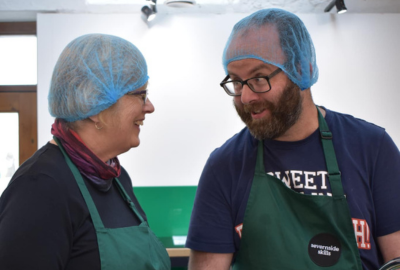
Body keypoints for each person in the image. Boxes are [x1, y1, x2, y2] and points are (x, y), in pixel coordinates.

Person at [186, 8, 400, 270]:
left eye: (259, 78)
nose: (245, 97)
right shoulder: (224, 165)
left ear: (301, 69)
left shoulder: (372, 147)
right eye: (237, 82)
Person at [0, 34, 171, 270]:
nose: (149, 107)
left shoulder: (117, 178)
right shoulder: (40, 187)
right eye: (140, 95)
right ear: (94, 105)